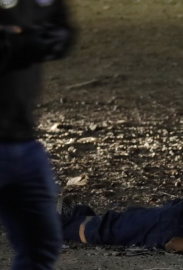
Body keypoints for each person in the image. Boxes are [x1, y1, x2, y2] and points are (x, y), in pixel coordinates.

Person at [0, 1, 75, 269]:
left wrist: (20, 37)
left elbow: (61, 35)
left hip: (23, 141)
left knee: (42, 246)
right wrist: (27, 38)